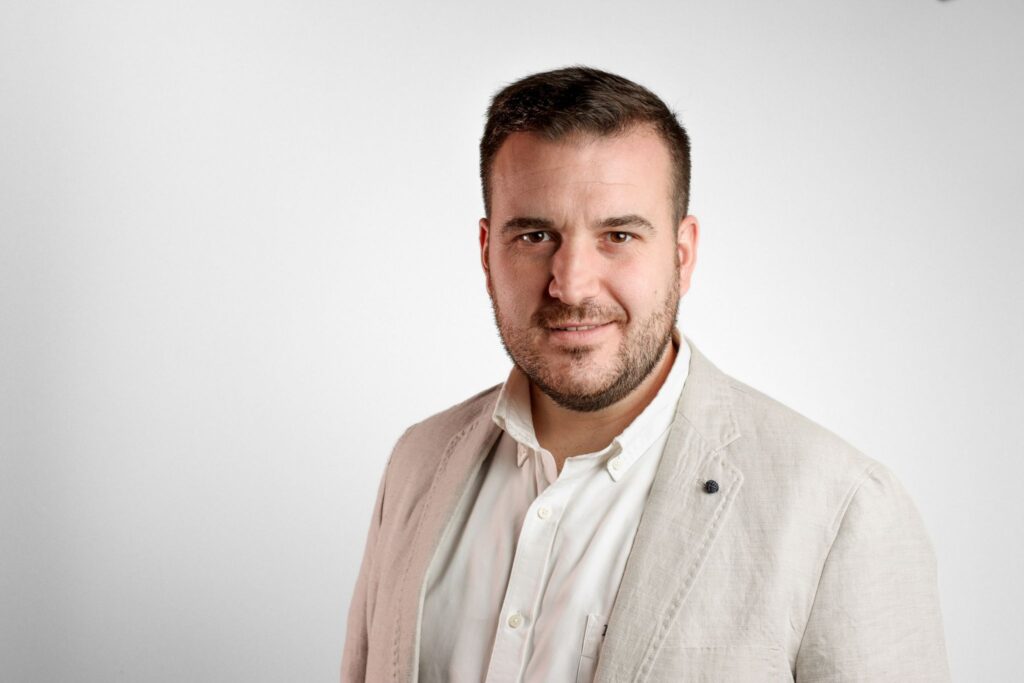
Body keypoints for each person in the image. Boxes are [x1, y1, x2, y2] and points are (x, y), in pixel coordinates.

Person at [340, 66, 950, 682]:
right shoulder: (417, 463)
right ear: (486, 251)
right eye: (535, 235)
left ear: (682, 255)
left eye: (619, 235)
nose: (572, 284)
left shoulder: (840, 510)